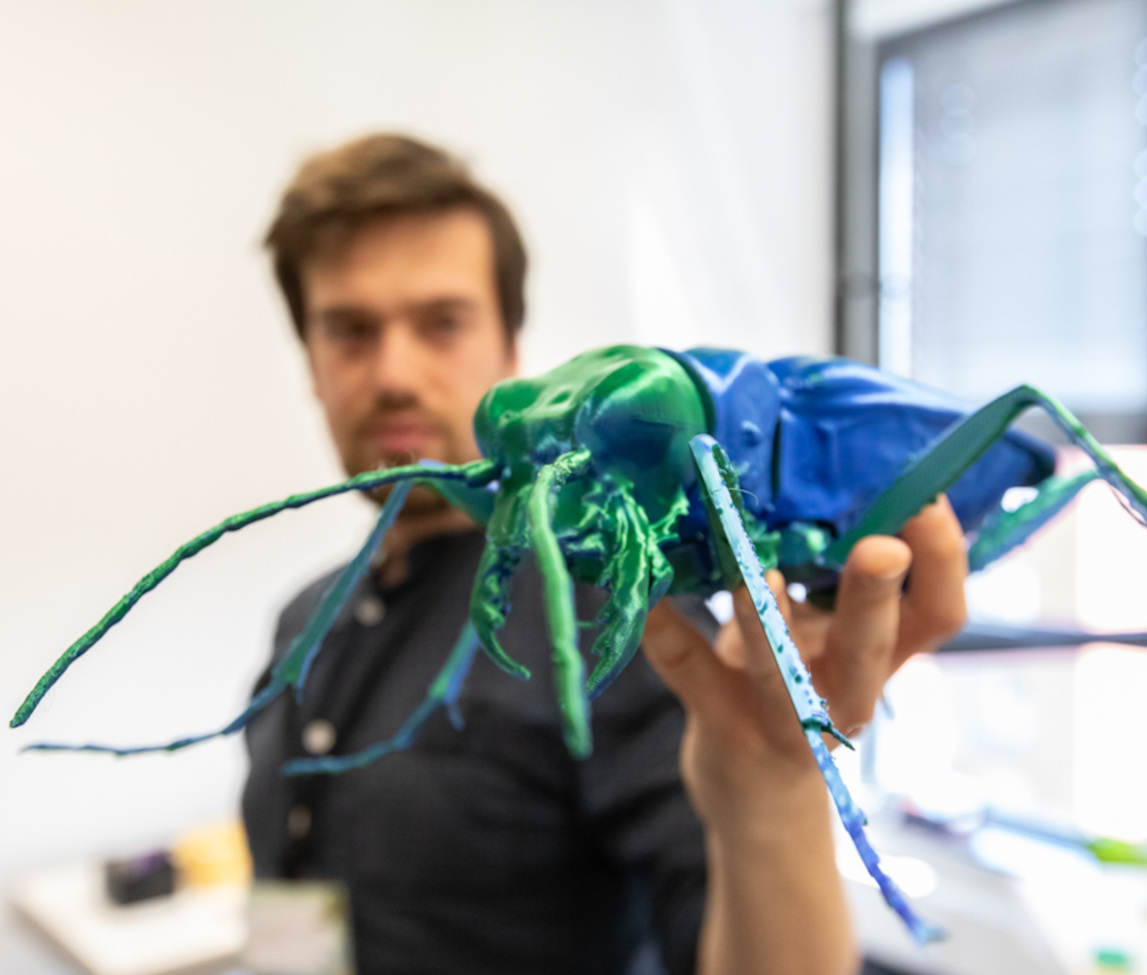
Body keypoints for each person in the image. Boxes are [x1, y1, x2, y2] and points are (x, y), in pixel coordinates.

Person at [242, 133, 968, 975]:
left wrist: (771, 792)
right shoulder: (303, 620)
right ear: (313, 363)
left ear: (511, 349)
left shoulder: (617, 617)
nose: (395, 372)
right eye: (351, 331)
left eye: (442, 322)